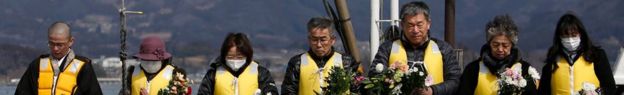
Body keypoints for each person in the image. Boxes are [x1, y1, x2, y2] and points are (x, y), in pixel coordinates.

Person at [368, 1, 461, 95]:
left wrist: (433, 90)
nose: (415, 30)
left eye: (419, 25)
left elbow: (455, 81)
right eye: (410, 25)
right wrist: (387, 78)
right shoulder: (387, 48)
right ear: (402, 25)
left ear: (428, 24)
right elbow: (373, 76)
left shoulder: (443, 49)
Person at [456, 15, 539, 95]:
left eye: (505, 45)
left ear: (512, 45)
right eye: (495, 45)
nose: (500, 49)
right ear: (489, 44)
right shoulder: (473, 69)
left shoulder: (524, 69)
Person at [15, 21, 103, 95]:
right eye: (52, 44)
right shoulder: (37, 65)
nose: (55, 48)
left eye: (60, 45)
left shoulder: (83, 67)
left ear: (71, 41)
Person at [538, 12, 616, 95]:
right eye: (565, 36)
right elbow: (543, 91)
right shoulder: (553, 60)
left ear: (581, 34)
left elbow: (610, 88)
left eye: (574, 35)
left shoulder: (596, 56)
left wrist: (597, 92)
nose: (570, 39)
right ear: (559, 37)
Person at [280, 17, 357, 95]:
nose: (319, 45)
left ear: (332, 40)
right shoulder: (297, 63)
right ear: (309, 40)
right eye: (314, 40)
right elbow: (288, 91)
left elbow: (357, 90)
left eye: (323, 40)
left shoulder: (346, 63)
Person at [198, 33, 278, 95]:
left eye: (239, 57)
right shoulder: (213, 74)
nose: (234, 60)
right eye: (230, 57)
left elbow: (271, 91)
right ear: (224, 55)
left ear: (247, 55)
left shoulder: (261, 73)